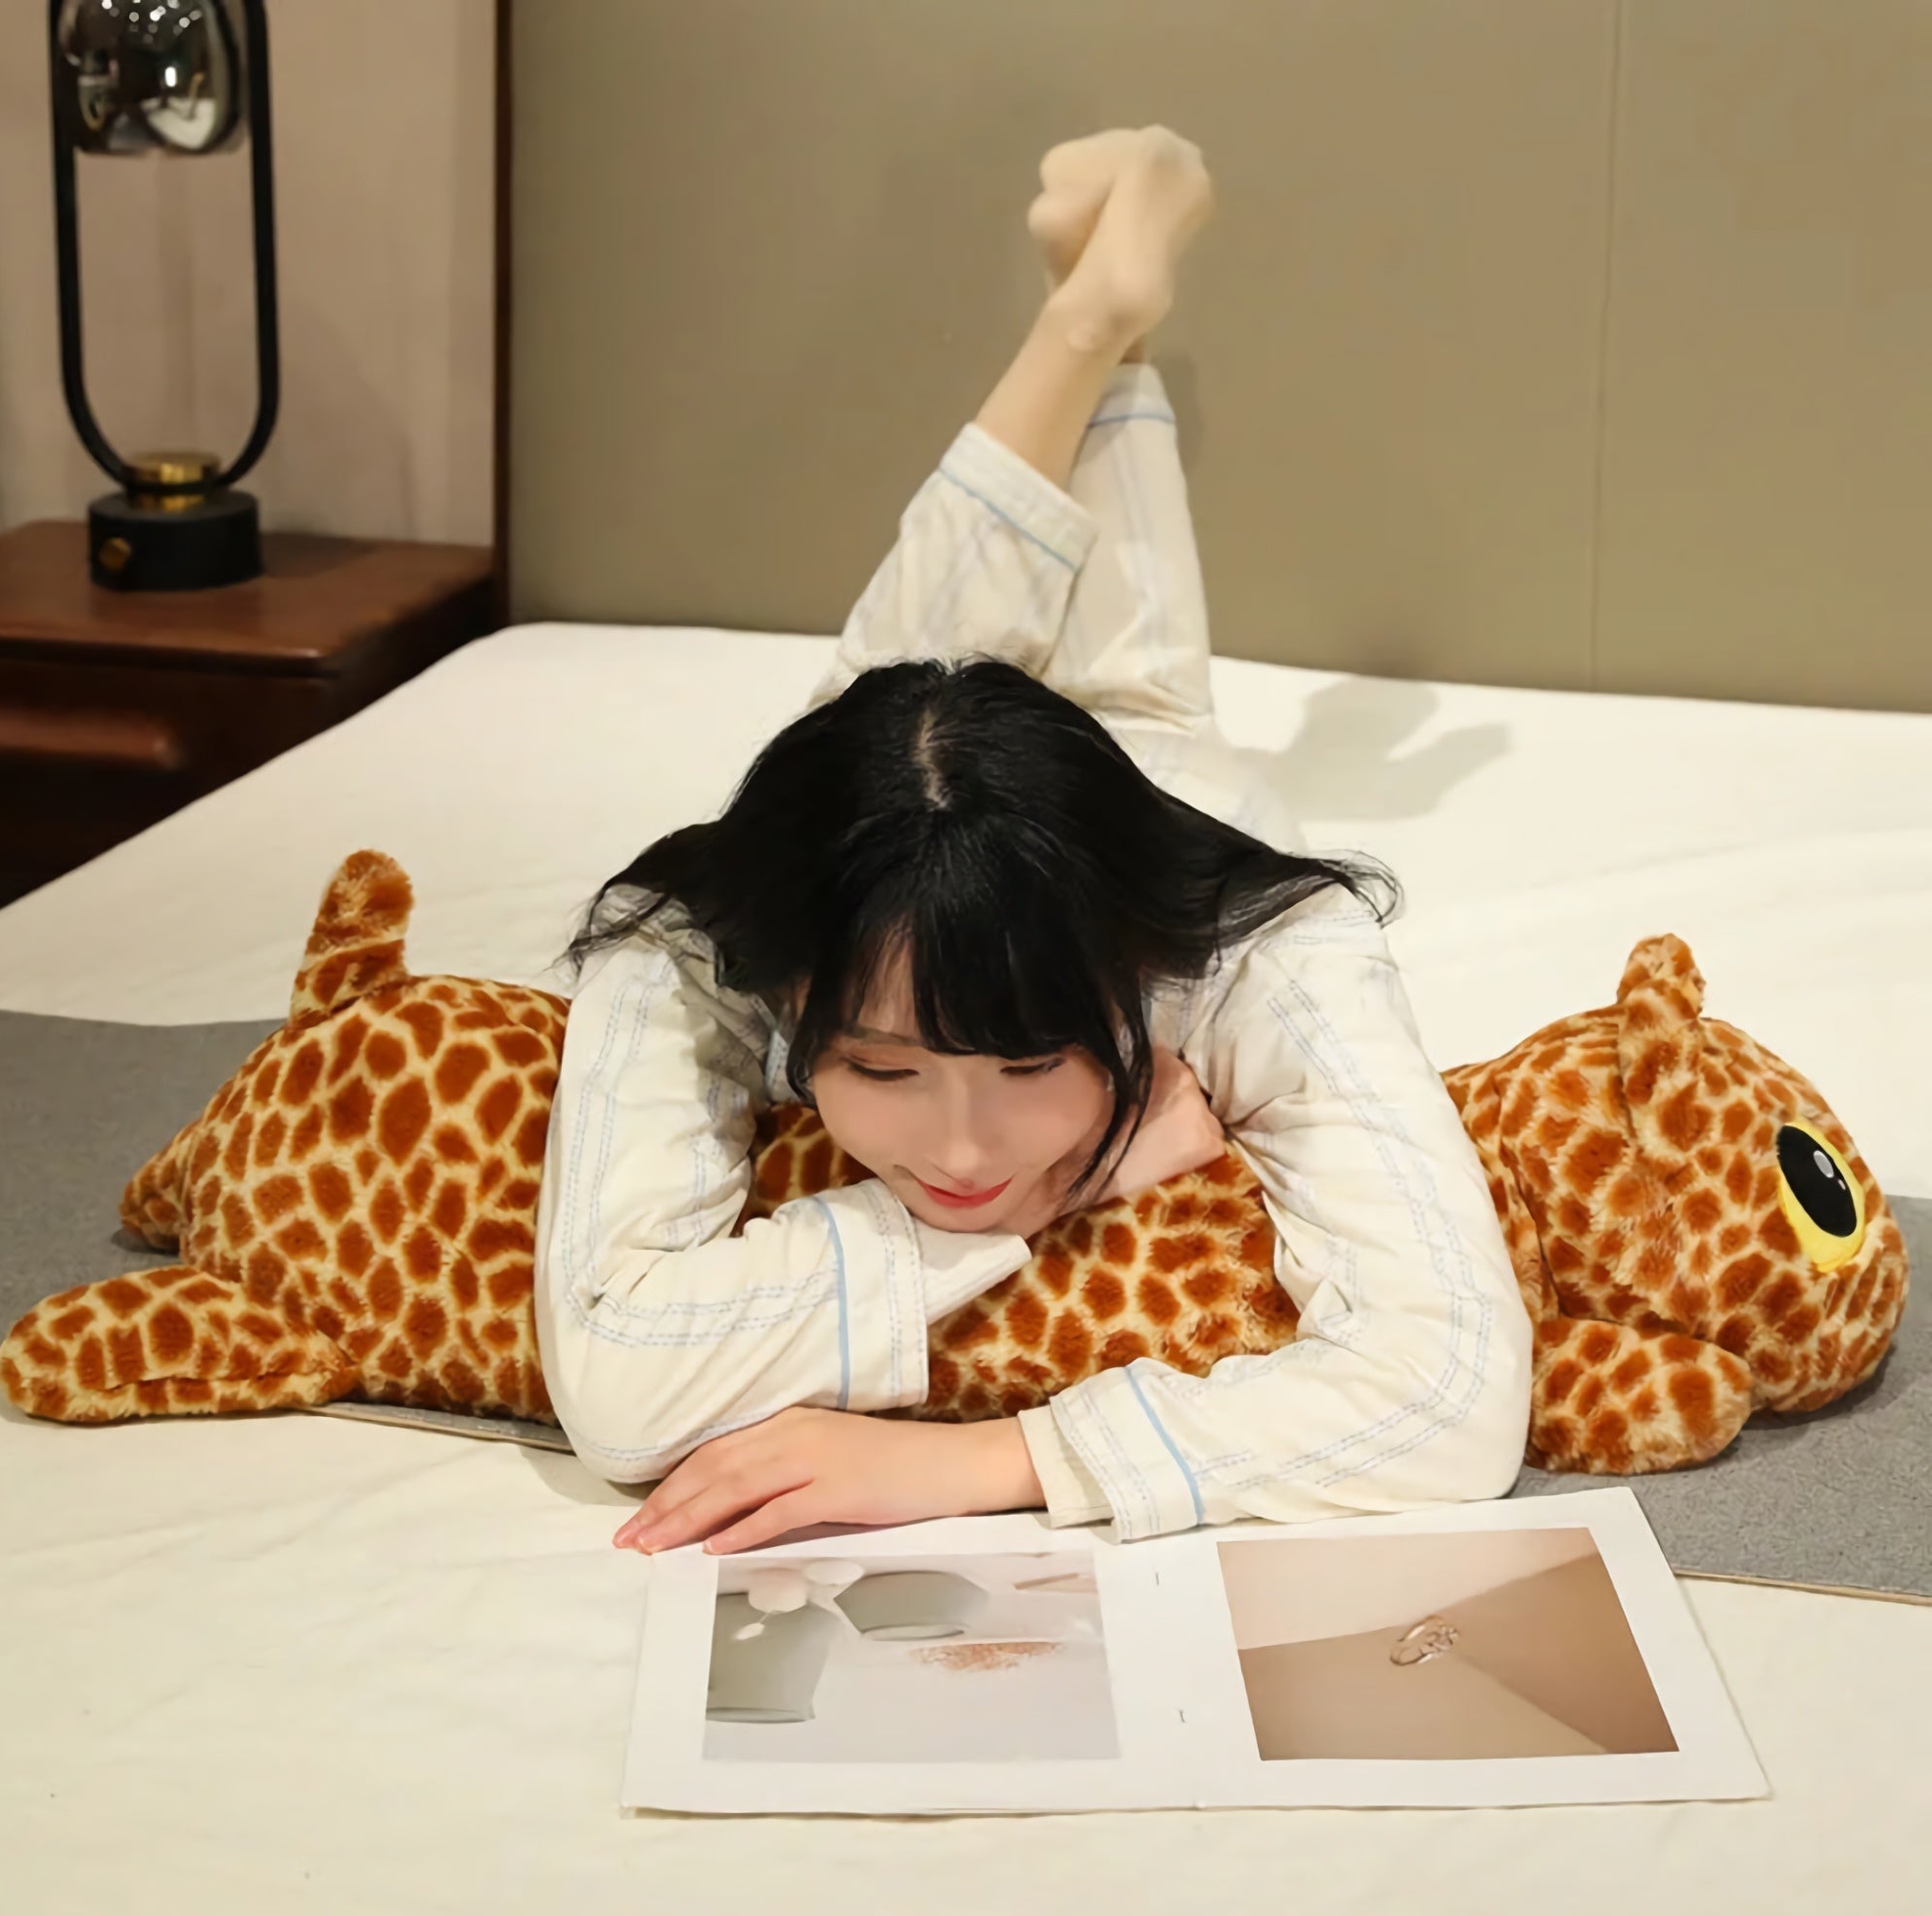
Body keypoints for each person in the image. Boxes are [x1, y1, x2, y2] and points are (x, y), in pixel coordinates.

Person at [533, 128, 1532, 1556]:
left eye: (1029, 1065)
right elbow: (619, 1391)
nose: (960, 1147)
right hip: (917, 835)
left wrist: (989, 1463)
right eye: (881, 1067)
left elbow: (1454, 1395)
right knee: (897, 714)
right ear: (801, 999)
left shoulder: (1270, 954)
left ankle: (1091, 315)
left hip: (1181, 801)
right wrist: (1065, 1181)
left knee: (1096, 702)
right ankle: (1094, 317)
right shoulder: (705, 931)